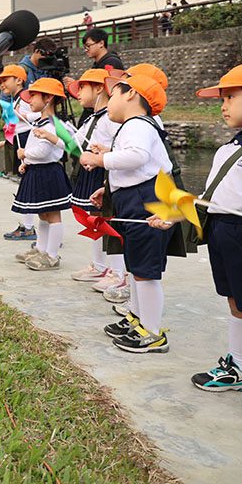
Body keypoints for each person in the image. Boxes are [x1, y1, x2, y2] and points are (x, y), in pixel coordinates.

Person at [187, 64, 242, 420]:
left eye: (232, 96)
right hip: (224, 232)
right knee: (236, 301)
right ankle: (240, 367)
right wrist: (177, 215)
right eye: (221, 98)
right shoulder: (230, 147)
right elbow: (211, 195)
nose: (223, 105)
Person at [84, 73, 174, 353]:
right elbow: (135, 161)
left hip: (146, 200)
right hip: (134, 198)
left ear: (131, 95)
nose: (108, 101)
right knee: (136, 267)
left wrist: (99, 159)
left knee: (145, 271)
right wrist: (108, 181)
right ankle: (138, 319)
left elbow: (137, 157)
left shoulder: (138, 124)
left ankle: (153, 333)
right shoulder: (134, 127)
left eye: (113, 95)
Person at [65, 69, 122, 286]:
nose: (77, 93)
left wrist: (102, 154)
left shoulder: (110, 117)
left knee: (109, 220)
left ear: (99, 88)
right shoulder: (91, 118)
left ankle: (118, 272)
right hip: (91, 170)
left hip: (104, 171)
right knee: (95, 220)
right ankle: (99, 265)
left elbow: (119, 146)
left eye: (82, 87)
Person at [9, 79, 72, 271]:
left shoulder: (52, 125)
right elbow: (34, 145)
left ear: (49, 98)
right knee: (42, 214)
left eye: (34, 96)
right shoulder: (40, 121)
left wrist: (25, 155)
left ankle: (52, 255)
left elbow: (43, 152)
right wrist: (26, 162)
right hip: (37, 171)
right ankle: (40, 248)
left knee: (53, 214)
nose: (30, 100)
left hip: (48, 173)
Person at [0, 65, 38, 239]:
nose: (2, 84)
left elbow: (39, 116)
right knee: (23, 182)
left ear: (19, 80)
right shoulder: (15, 100)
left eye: (5, 80)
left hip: (27, 142)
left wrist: (17, 116)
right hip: (19, 140)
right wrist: (4, 140)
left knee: (28, 183)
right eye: (0, 81)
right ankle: (26, 225)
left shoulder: (25, 98)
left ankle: (29, 227)